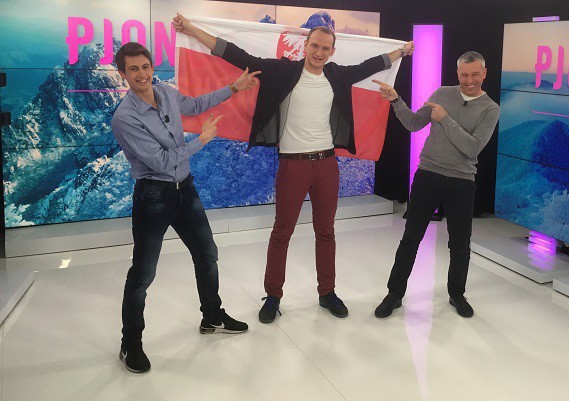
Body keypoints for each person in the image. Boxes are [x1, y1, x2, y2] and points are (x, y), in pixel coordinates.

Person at [173, 14, 414, 323]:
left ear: (332, 51)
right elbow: (235, 54)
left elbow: (372, 64)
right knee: (281, 233)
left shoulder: (337, 75)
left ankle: (327, 293)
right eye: (315, 46)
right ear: (305, 46)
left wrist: (401, 51)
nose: (319, 52)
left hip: (327, 165)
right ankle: (273, 295)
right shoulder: (284, 71)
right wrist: (192, 30)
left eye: (325, 48)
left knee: (326, 232)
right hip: (293, 164)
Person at [111, 42, 260, 373]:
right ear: (123, 74)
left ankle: (212, 317)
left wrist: (234, 88)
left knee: (207, 255)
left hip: (185, 190)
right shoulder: (124, 118)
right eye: (133, 69)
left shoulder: (165, 92)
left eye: (145, 66)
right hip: (153, 197)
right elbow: (161, 161)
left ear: (152, 67)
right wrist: (201, 141)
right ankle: (130, 344)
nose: (141, 74)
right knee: (143, 274)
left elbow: (195, 104)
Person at [373, 51, 500, 319]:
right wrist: (395, 100)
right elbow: (413, 123)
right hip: (428, 175)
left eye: (475, 74)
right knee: (411, 238)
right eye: (464, 75)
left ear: (484, 73)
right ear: (457, 74)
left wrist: (445, 119)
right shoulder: (442, 93)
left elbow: (472, 147)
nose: (469, 80)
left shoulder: (490, 109)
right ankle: (394, 294)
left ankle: (457, 294)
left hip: (462, 181)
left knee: (460, 244)